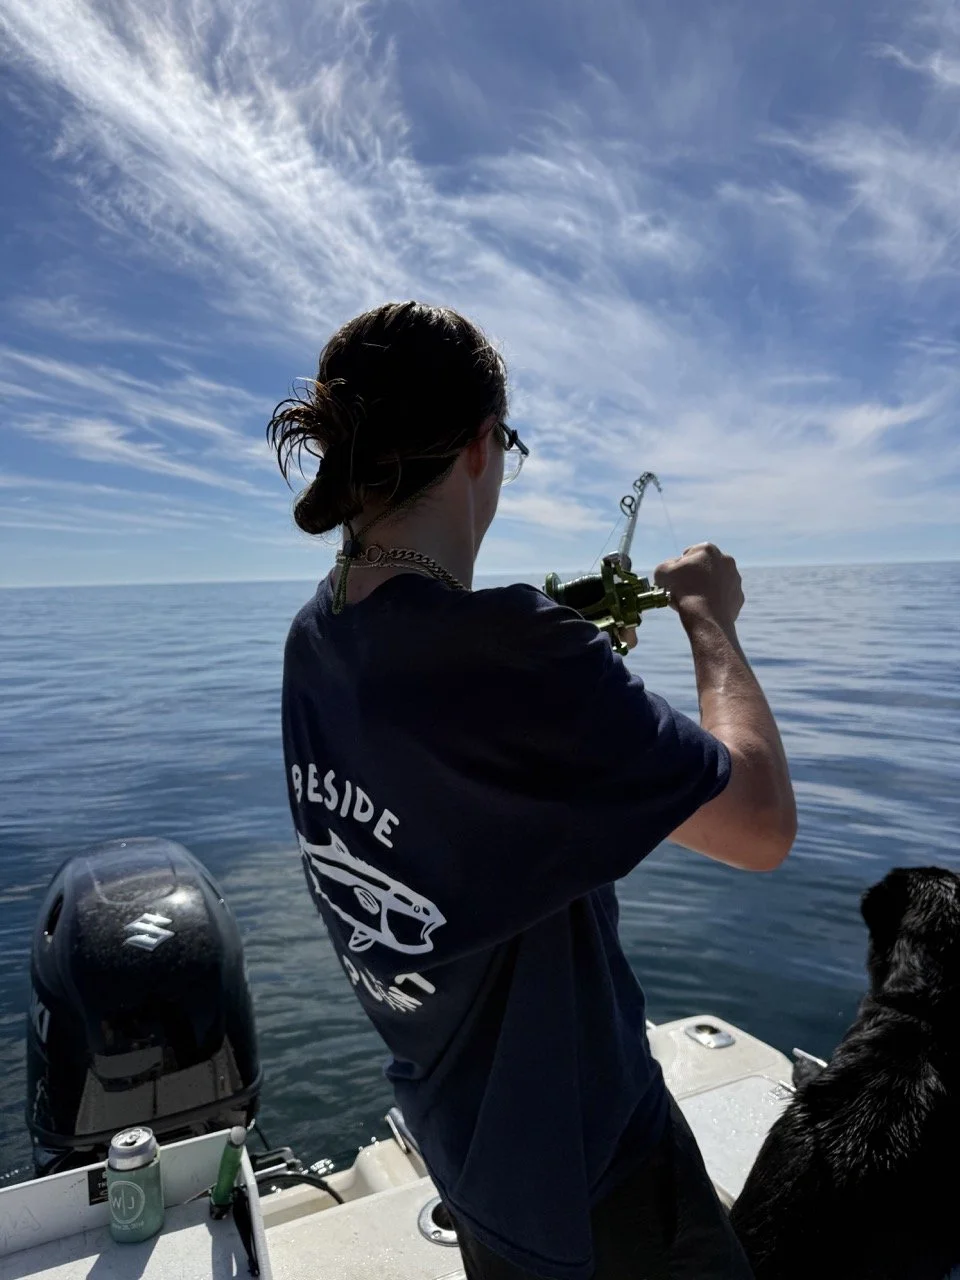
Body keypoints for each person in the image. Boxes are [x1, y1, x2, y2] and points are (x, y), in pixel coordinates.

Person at [269, 300, 796, 1280]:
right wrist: (710, 619)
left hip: (465, 1146)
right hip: (595, 1173)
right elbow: (760, 823)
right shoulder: (514, 651)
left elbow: (455, 754)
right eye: (505, 446)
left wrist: (566, 670)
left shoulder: (317, 635)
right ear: (481, 444)